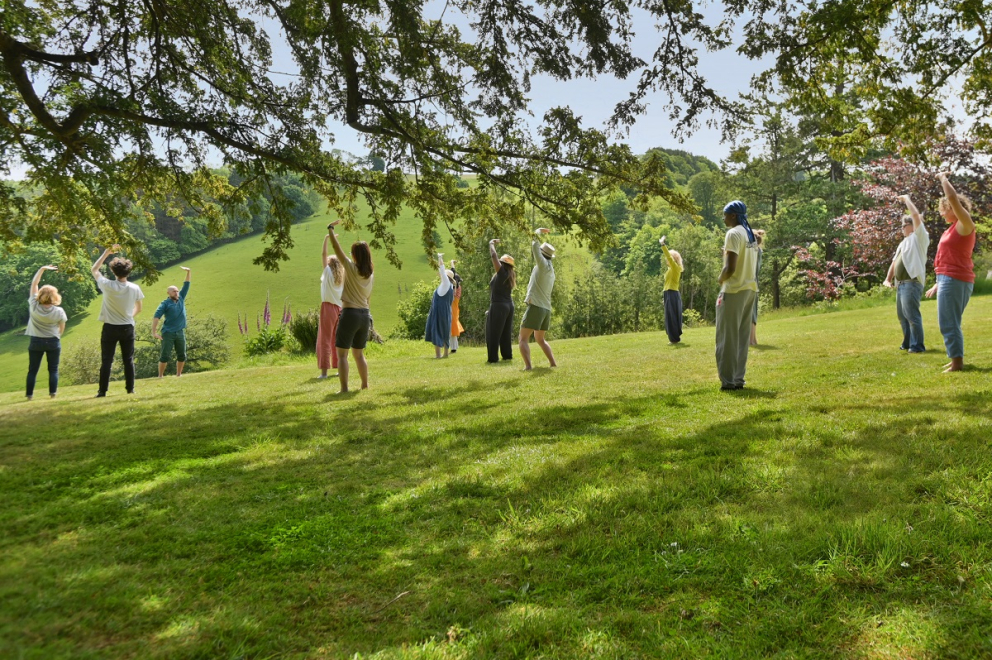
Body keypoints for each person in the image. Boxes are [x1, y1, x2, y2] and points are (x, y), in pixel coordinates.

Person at [925, 172, 977, 372]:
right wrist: (939, 281)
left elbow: (953, 198)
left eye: (943, 209)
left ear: (952, 208)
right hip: (948, 278)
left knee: (948, 322)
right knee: (950, 321)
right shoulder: (951, 229)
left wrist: (942, 179)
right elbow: (950, 258)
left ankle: (957, 363)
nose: (941, 213)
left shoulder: (965, 224)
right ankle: (955, 358)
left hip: (956, 279)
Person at [715, 201, 759, 390]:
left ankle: (728, 381)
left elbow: (730, 268)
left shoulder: (733, 234)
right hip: (750, 290)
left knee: (727, 337)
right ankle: (738, 378)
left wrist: (720, 279)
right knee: (741, 338)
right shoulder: (750, 235)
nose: (723, 218)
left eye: (725, 215)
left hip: (733, 290)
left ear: (733, 216)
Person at [326, 221, 374, 392]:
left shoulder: (351, 268)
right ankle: (364, 385)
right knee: (359, 354)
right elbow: (368, 298)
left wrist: (330, 229)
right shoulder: (370, 274)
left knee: (342, 355)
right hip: (365, 315)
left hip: (351, 313)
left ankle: (344, 388)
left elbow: (336, 248)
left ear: (355, 256)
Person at [91, 244, 144, 397]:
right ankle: (130, 389)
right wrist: (128, 316)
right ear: (129, 271)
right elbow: (139, 308)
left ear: (113, 271)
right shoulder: (135, 288)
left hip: (110, 328)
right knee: (128, 359)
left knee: (107, 360)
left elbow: (94, 269)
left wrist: (107, 252)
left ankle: (102, 392)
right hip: (127, 327)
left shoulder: (107, 285)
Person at [883, 194, 929, 354]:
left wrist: (907, 199)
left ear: (911, 225)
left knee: (912, 316)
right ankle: (908, 342)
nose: (901, 228)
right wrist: (888, 279)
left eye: (903, 225)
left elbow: (916, 215)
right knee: (902, 316)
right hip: (901, 284)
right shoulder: (903, 243)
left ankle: (918, 346)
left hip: (912, 282)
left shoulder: (920, 237)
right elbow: (895, 262)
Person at [25, 265, 67, 400]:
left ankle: (30, 395)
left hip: (36, 340)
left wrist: (42, 269)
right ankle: (53, 394)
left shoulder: (34, 305)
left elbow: (34, 283)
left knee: (32, 370)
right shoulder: (59, 311)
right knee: (53, 369)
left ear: (40, 295)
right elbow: (62, 327)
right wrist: (58, 336)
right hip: (53, 341)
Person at [519, 227, 557, 370]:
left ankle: (528, 367)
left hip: (536, 306)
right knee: (540, 339)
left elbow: (534, 247)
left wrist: (536, 232)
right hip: (546, 308)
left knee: (522, 338)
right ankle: (553, 363)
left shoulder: (542, 266)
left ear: (542, 255)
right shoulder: (551, 269)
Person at [151, 267, 192, 378]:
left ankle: (179, 375)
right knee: (165, 356)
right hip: (168, 333)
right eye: (174, 291)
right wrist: (154, 332)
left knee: (182, 355)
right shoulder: (165, 304)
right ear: (168, 293)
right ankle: (160, 376)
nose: (176, 292)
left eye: (177, 291)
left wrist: (188, 272)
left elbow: (187, 284)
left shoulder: (181, 298)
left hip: (180, 332)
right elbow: (156, 317)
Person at [317, 234, 345, 379]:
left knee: (325, 339)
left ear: (329, 264)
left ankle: (324, 373)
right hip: (340, 309)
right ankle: (339, 368)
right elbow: (340, 255)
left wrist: (327, 238)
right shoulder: (342, 275)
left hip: (328, 308)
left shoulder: (327, 272)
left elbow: (323, 253)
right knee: (337, 339)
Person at [485, 238, 516, 363]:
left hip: (499, 306)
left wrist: (491, 244)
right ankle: (507, 355)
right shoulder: (509, 274)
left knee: (493, 333)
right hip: (508, 305)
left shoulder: (502, 272)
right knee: (505, 333)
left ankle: (493, 358)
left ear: (503, 263)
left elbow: (493, 255)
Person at [425, 254, 455, 358]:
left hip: (439, 311)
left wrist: (439, 258)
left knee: (436, 330)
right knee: (446, 331)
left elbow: (442, 270)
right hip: (446, 311)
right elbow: (451, 273)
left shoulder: (446, 284)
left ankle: (438, 355)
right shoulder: (450, 286)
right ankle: (446, 353)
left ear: (447, 278)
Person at [659, 235, 684, 344]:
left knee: (672, 317)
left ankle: (674, 339)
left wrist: (663, 245)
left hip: (672, 293)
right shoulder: (671, 269)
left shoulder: (675, 268)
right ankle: (673, 338)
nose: (666, 260)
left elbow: (668, 257)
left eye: (668, 258)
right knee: (670, 316)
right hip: (669, 293)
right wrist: (665, 297)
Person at [749, 230, 766, 346]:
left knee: (749, 312)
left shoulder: (753, 251)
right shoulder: (759, 250)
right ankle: (753, 339)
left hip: (748, 283)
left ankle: (750, 340)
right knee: (753, 312)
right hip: (755, 283)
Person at [449, 261, 464, 353]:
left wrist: (452, 265)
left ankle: (453, 347)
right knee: (452, 327)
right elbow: (453, 273)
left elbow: (453, 275)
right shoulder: (457, 287)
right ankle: (454, 346)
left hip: (453, 308)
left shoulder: (456, 289)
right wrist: (452, 264)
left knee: (453, 327)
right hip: (454, 308)